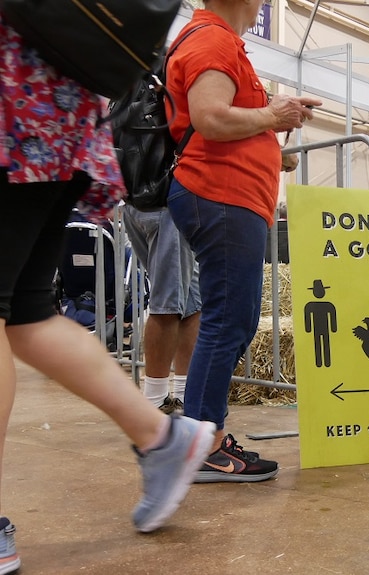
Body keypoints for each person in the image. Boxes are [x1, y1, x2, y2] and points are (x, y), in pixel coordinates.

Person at [0, 13, 217, 567]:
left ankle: (162, 429)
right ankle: (160, 435)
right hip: (60, 112)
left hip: (16, 105)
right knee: (30, 317)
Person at [165, 0, 322, 483]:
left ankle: (202, 435)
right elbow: (211, 118)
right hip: (222, 196)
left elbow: (227, 124)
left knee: (235, 318)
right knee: (227, 319)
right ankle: (204, 443)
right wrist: (272, 117)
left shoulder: (220, 40)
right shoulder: (212, 39)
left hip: (230, 197)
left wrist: (274, 135)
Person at [123, 205, 201, 415]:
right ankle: (154, 399)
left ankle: (186, 394)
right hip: (166, 206)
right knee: (168, 304)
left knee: (192, 301)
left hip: (140, 201)